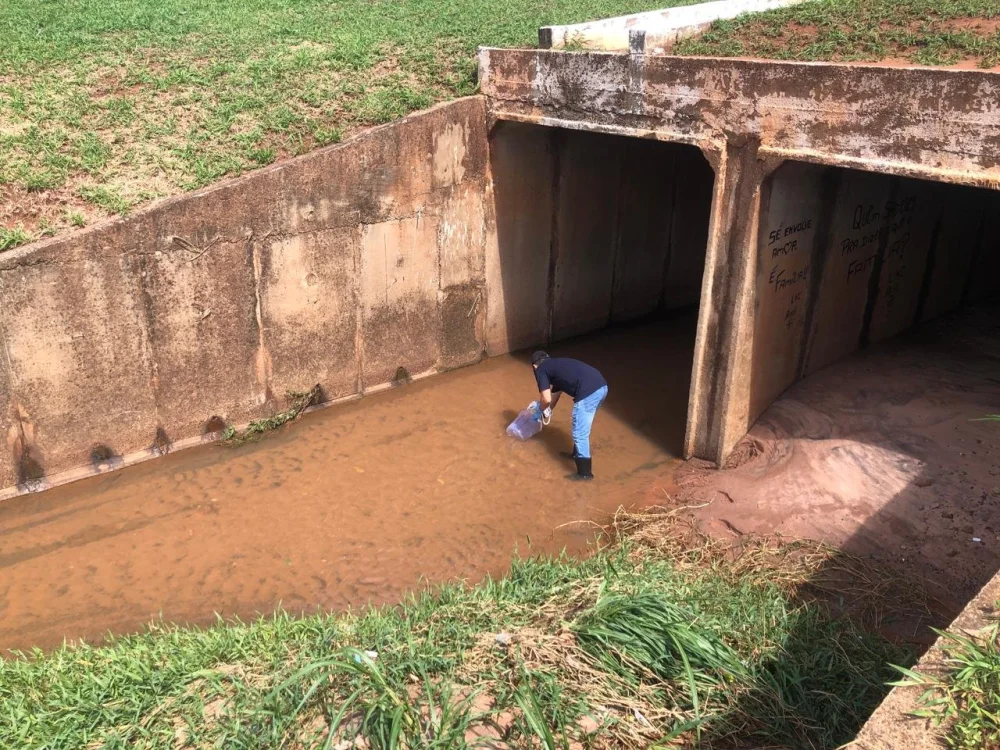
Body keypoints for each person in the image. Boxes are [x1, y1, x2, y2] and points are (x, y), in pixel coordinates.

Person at [531, 351, 608, 481]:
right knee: (581, 427)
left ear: (534, 366)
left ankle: (585, 473)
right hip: (602, 387)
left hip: (588, 391)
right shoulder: (556, 367)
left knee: (580, 433)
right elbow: (553, 398)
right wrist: (546, 412)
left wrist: (539, 410)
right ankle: (576, 455)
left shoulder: (541, 369)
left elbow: (546, 399)